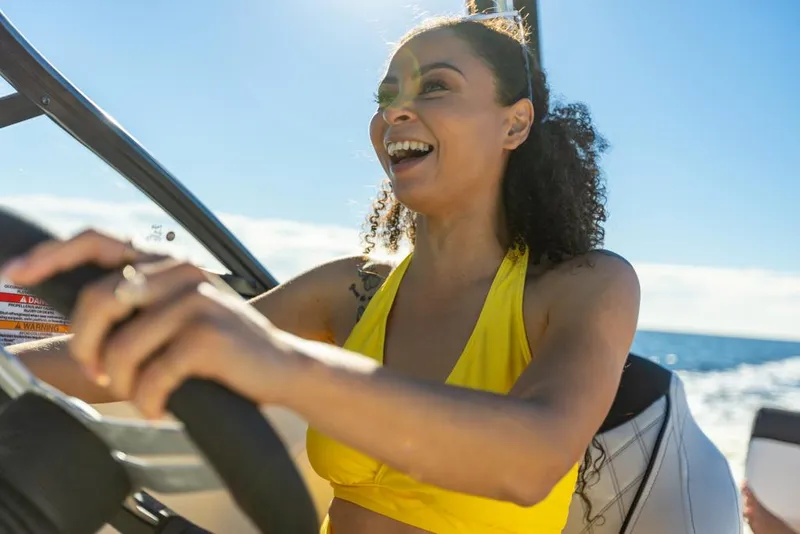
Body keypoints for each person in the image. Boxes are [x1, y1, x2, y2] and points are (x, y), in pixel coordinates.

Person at [0, 10, 640, 534]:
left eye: (435, 87)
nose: (395, 112)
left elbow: (529, 461)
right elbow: (139, 352)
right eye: (386, 98)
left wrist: (280, 366)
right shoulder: (350, 289)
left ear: (515, 122)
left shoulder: (586, 286)